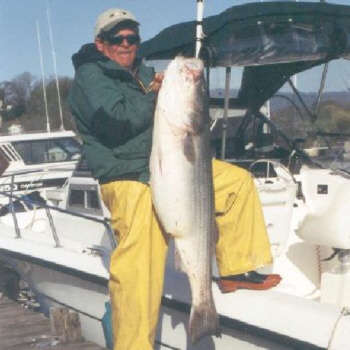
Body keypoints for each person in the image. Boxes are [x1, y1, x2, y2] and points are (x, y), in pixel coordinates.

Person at [69, 8, 281, 350]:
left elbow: (182, 116)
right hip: (128, 176)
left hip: (168, 165)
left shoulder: (143, 73)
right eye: (117, 39)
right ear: (100, 44)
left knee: (237, 183)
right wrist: (157, 93)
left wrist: (173, 88)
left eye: (132, 38)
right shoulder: (91, 77)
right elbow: (117, 121)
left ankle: (234, 269)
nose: (126, 45)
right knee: (140, 270)